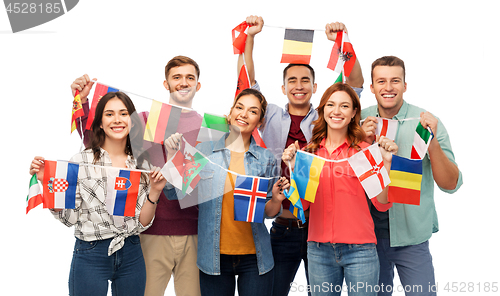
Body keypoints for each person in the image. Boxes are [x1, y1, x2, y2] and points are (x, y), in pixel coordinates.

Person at [238, 15, 364, 296]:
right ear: (283, 88)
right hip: (283, 227)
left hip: (321, 229)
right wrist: (251, 39)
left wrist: (344, 44)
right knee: (272, 291)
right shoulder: (268, 114)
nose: (298, 85)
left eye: (305, 80)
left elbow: (354, 86)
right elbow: (246, 83)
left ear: (315, 88)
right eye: (292, 80)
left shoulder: (328, 114)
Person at [71, 55, 203, 296]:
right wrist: (83, 102)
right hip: (150, 232)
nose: (183, 83)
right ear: (166, 84)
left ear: (198, 84)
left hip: (194, 231)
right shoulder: (147, 119)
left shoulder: (207, 125)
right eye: (177, 77)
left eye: (189, 77)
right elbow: (99, 142)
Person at [29, 92, 166, 296]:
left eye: (123, 113)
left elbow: (142, 223)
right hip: (90, 253)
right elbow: (70, 217)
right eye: (109, 114)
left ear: (132, 121)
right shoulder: (80, 161)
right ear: (100, 122)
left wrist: (155, 190)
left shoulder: (141, 164)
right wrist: (47, 182)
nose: (117, 120)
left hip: (131, 252)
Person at [165, 88, 288, 296]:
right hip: (214, 257)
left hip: (255, 258)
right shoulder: (204, 151)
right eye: (239, 108)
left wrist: (276, 199)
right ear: (230, 113)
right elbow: (174, 193)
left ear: (259, 122)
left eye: (252, 111)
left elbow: (268, 211)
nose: (243, 114)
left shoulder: (266, 158)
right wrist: (172, 156)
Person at [282, 83, 397, 296]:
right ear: (323, 109)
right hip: (319, 251)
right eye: (331, 105)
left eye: (344, 106)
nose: (336, 111)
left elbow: (382, 204)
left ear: (354, 112)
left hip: (361, 251)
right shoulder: (309, 153)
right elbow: (303, 206)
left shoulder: (364, 152)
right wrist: (292, 169)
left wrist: (386, 164)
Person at [361, 56, 463, 296]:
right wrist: (359, 138)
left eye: (395, 81)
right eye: (381, 81)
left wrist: (432, 142)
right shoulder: (358, 119)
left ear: (405, 85)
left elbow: (451, 184)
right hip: (367, 239)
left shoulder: (426, 121)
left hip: (412, 236)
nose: (388, 88)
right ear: (372, 87)